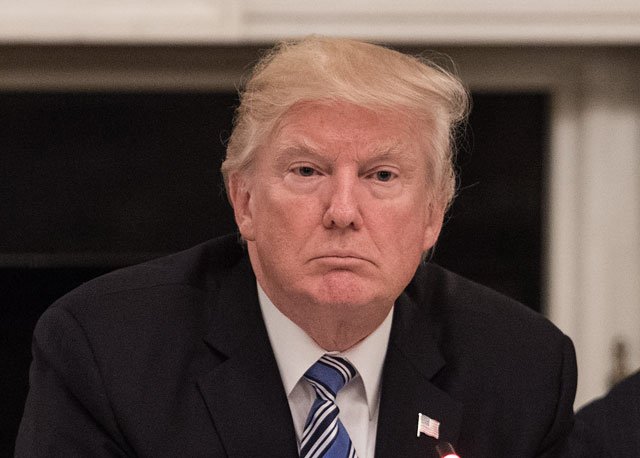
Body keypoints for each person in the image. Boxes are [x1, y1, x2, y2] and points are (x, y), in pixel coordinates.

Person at [16, 37, 577, 457]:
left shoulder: (520, 366)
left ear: (433, 214)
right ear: (244, 201)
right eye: (307, 171)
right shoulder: (107, 350)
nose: (342, 212)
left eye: (382, 176)